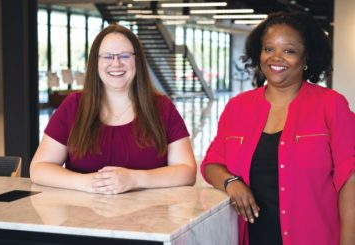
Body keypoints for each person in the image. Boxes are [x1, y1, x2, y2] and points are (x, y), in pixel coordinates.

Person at [201, 12, 355, 245]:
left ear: (306, 58)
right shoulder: (237, 107)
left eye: (289, 51)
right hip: (252, 237)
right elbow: (212, 163)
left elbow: (350, 179)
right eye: (269, 48)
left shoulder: (331, 105)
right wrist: (231, 182)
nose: (276, 58)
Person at [30, 24, 196, 194]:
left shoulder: (162, 108)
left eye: (124, 56)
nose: (116, 63)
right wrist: (86, 182)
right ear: (96, 62)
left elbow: (187, 171)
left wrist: (135, 179)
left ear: (137, 61)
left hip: (151, 217)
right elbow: (39, 168)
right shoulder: (74, 105)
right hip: (82, 217)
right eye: (108, 57)